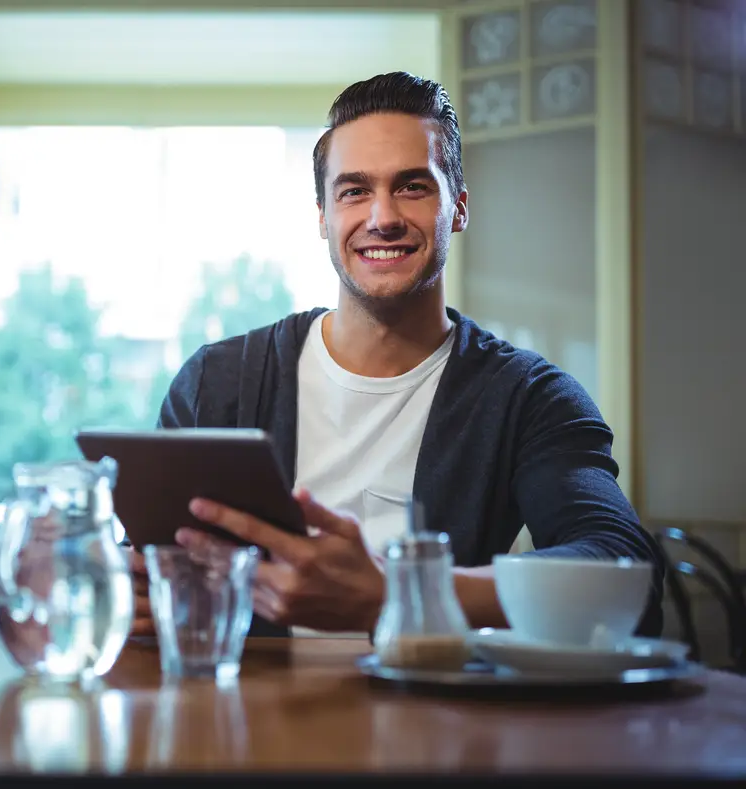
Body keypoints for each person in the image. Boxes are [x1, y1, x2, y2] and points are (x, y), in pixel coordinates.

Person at [128, 71, 663, 640]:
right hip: (244, 720)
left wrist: (403, 594)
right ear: (323, 217)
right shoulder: (216, 382)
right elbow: (147, 570)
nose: (382, 216)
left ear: (457, 209)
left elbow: (625, 574)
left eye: (412, 186)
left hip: (436, 720)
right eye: (354, 191)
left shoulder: (529, 398)